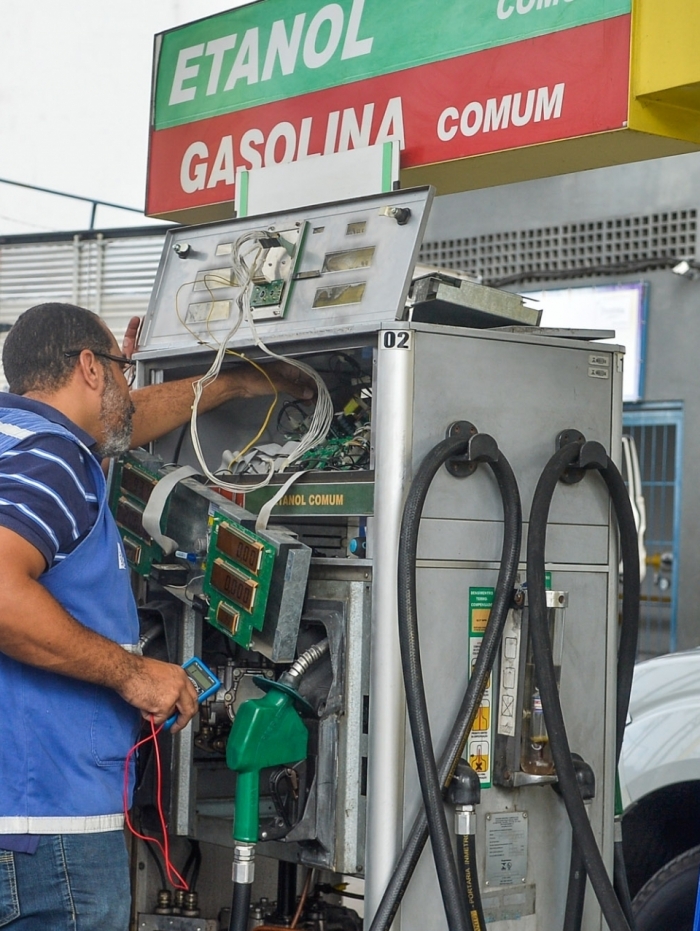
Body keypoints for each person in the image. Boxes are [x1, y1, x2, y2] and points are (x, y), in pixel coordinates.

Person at [0, 302, 312, 930]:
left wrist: (235, 384)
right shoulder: (53, 459)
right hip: (46, 822)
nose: (129, 386)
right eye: (122, 369)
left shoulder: (20, 440)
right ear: (90, 367)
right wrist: (131, 673)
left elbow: (125, 420)